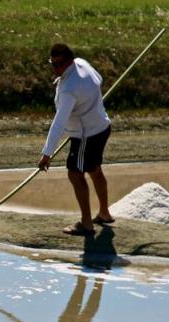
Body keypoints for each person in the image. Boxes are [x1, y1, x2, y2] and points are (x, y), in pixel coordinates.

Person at [38, 43, 115, 236]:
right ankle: (104, 213)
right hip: (102, 126)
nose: (55, 69)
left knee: (75, 173)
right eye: (53, 64)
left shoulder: (68, 88)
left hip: (86, 136)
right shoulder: (82, 63)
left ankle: (87, 224)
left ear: (70, 61)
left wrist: (46, 154)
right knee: (95, 169)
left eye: (59, 64)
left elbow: (58, 122)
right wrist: (87, 101)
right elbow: (99, 79)